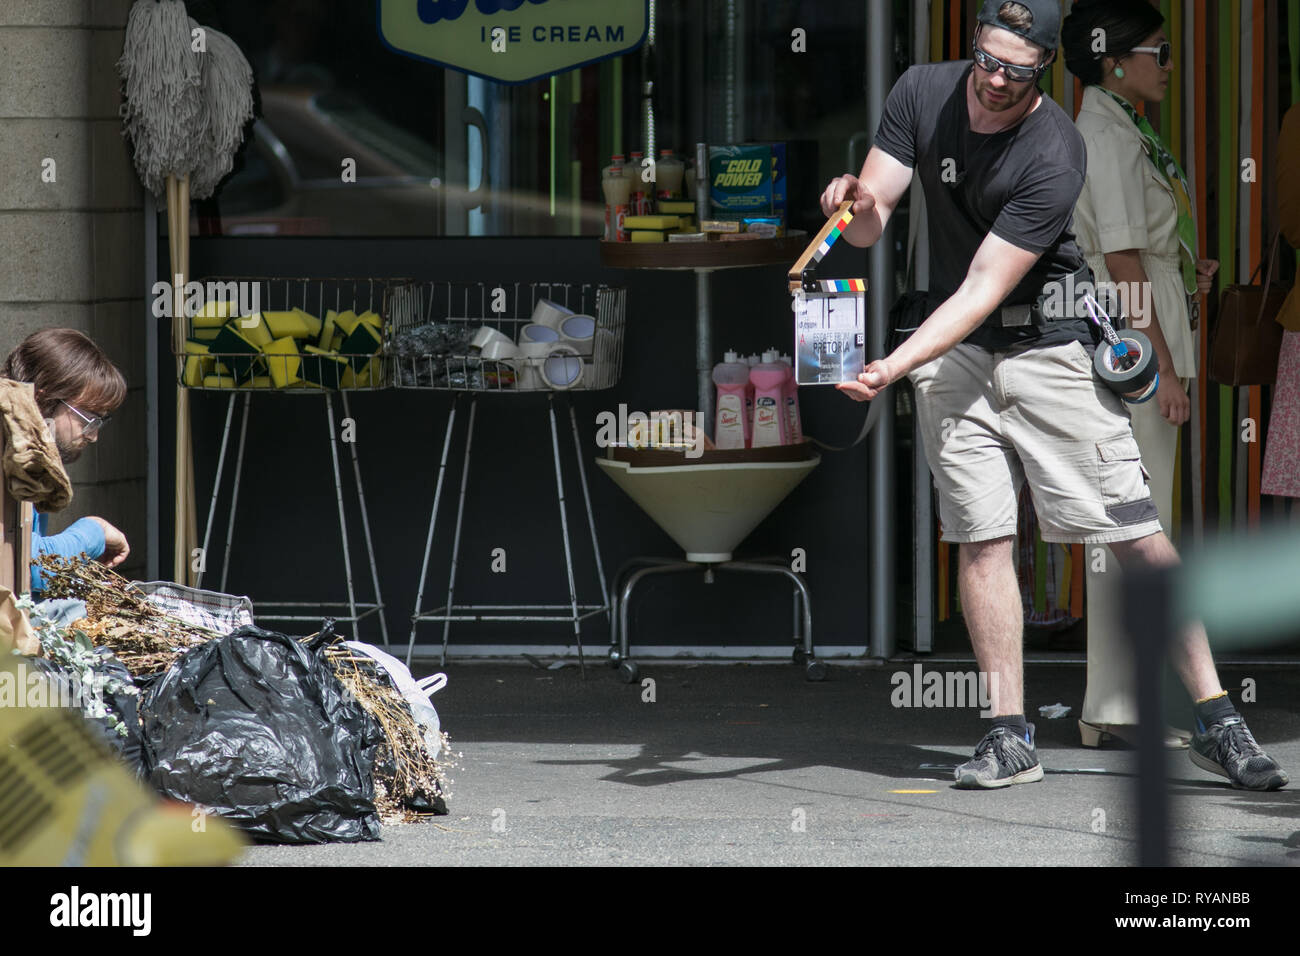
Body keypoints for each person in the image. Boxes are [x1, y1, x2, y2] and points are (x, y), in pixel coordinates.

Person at [822, 0, 1286, 789]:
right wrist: (855, 208)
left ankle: (1219, 718)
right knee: (982, 535)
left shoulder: (1056, 146)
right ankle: (1009, 736)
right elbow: (870, 225)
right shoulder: (920, 92)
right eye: (988, 61)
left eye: (1019, 70)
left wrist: (892, 366)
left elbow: (979, 286)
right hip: (955, 352)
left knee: (1136, 533)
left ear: (1044, 71)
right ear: (975, 47)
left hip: (1048, 344)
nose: (997, 81)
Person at [1063, 0, 1218, 750]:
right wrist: (1157, 367)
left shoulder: (1122, 127)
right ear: (1114, 60)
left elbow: (1140, 251)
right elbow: (1121, 262)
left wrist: (1186, 268)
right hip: (1135, 345)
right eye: (1158, 51)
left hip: (1142, 326)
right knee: (1135, 522)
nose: (1167, 63)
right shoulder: (1106, 133)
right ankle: (1117, 707)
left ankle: (1122, 702)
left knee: (1135, 520)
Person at [2, 329, 131, 591]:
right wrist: (95, 531)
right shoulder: (9, 451)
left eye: (100, 422)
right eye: (88, 418)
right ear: (43, 398)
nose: (93, 435)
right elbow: (29, 567)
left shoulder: (25, 450)